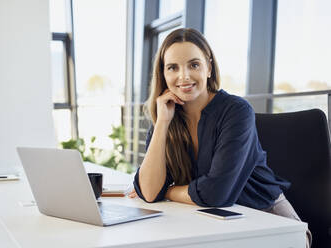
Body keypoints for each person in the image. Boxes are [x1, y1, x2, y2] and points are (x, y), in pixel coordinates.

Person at [128, 28, 311, 247]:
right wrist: (162, 124)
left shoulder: (236, 111)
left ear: (208, 68)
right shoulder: (167, 116)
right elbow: (149, 192)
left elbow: (215, 194)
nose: (183, 76)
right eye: (172, 68)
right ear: (164, 75)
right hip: (216, 223)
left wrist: (167, 191)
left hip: (271, 222)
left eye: (194, 65)